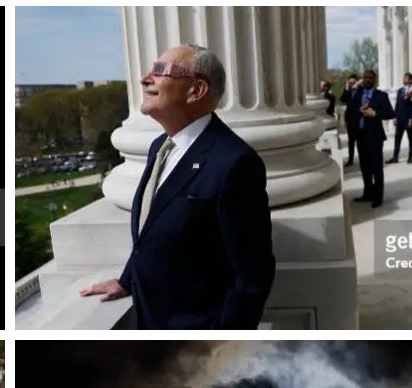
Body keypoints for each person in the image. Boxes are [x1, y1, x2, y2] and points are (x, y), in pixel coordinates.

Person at [79, 44, 274, 329]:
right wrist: (127, 280)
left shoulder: (235, 163)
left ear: (196, 90)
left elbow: (253, 273)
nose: (145, 78)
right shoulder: (160, 146)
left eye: (160, 71)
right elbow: (154, 229)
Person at [349, 69, 396, 208]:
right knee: (365, 168)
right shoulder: (357, 94)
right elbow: (350, 110)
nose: (368, 80)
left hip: (375, 137)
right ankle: (367, 193)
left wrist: (374, 113)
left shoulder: (381, 95)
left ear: (374, 80)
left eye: (370, 78)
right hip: (361, 136)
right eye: (365, 77)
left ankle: (378, 197)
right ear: (362, 79)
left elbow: (390, 113)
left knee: (376, 168)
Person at [387, 72, 412, 164]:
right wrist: (394, 116)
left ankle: (410, 156)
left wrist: (411, 119)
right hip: (399, 118)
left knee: (410, 138)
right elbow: (397, 105)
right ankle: (395, 157)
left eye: (406, 78)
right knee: (397, 138)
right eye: (404, 78)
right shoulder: (400, 90)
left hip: (408, 119)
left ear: (411, 80)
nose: (404, 79)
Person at [339, 73, 361, 167]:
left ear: (357, 82)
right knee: (351, 141)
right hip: (350, 119)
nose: (352, 84)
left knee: (361, 141)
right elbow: (342, 99)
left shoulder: (361, 90)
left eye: (353, 82)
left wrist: (358, 87)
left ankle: (363, 159)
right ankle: (350, 160)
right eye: (350, 83)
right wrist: (346, 89)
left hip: (359, 119)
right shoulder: (347, 91)